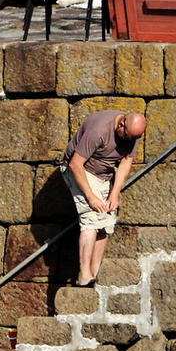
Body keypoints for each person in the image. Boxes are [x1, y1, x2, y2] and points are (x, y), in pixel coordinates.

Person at [60, 110, 146, 287]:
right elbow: (75, 164)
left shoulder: (133, 133)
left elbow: (126, 162)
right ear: (121, 125)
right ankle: (84, 276)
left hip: (103, 176)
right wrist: (91, 197)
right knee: (91, 218)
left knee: (106, 221)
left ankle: (95, 273)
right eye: (127, 136)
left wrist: (115, 193)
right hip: (80, 171)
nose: (129, 141)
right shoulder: (99, 130)